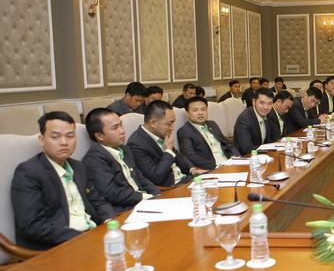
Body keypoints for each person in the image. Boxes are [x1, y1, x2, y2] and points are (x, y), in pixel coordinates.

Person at [11, 112, 115, 250]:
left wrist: (110, 220)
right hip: (58, 246)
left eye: (70, 136)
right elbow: (32, 225)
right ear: (41, 140)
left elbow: (98, 201)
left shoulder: (79, 167)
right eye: (55, 137)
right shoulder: (28, 172)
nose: (64, 142)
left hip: (94, 237)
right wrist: (82, 237)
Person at [82, 108, 159, 213]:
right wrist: (144, 197)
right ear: (99, 136)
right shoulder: (94, 159)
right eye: (115, 128)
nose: (122, 131)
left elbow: (141, 178)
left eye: (121, 125)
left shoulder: (125, 149)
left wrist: (157, 195)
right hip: (125, 210)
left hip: (144, 202)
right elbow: (112, 193)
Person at [127, 100, 206, 187]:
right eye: (169, 124)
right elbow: (156, 177)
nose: (173, 128)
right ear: (153, 123)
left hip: (186, 180)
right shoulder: (136, 144)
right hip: (171, 187)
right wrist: (168, 151)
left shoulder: (159, 133)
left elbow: (178, 156)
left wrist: (191, 169)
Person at [177, 97, 239, 170]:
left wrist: (237, 158)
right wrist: (215, 167)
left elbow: (227, 143)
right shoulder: (184, 131)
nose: (200, 113)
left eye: (203, 109)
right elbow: (190, 156)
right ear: (187, 113)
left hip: (229, 163)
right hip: (212, 168)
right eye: (195, 110)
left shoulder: (212, 124)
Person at [233, 88, 277, 153]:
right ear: (254, 102)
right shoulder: (244, 120)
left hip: (263, 154)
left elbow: (276, 136)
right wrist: (269, 149)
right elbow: (247, 148)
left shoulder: (268, 115)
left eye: (269, 103)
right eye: (262, 103)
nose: (266, 107)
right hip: (246, 156)